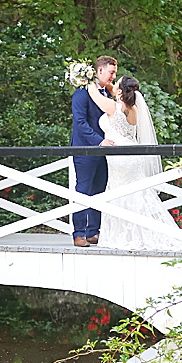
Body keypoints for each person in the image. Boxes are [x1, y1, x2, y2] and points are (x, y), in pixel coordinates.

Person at [86, 75, 182, 250]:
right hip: (132, 155)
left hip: (121, 158)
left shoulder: (114, 107)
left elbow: (94, 95)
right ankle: (139, 233)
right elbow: (113, 91)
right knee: (136, 195)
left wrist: (87, 77)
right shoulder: (132, 109)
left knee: (121, 194)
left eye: (116, 83)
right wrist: (113, 87)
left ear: (120, 91)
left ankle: (124, 236)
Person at [70, 55, 117, 247]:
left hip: (104, 150)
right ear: (99, 71)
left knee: (100, 190)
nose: (114, 76)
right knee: (83, 190)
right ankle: (78, 233)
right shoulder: (81, 94)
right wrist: (99, 142)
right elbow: (80, 124)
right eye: (111, 72)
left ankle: (93, 232)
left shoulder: (108, 94)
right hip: (86, 149)